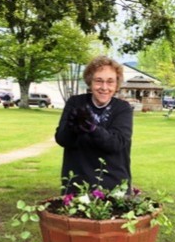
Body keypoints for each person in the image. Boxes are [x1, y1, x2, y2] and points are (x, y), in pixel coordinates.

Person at [55, 55, 133, 192]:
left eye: (110, 82)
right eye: (98, 81)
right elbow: (62, 139)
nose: (104, 87)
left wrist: (93, 129)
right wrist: (72, 129)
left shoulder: (123, 108)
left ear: (116, 85)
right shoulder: (75, 103)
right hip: (77, 184)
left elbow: (116, 143)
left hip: (113, 185)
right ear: (90, 82)